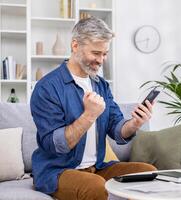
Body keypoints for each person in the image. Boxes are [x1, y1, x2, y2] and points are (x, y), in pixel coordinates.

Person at [30, 17, 157, 200]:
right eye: (96, 53)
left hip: (98, 168)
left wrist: (135, 123)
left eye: (104, 54)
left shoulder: (101, 85)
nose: (101, 60)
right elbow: (55, 145)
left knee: (148, 173)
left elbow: (116, 127)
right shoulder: (47, 88)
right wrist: (88, 115)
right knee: (95, 186)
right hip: (58, 171)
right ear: (75, 46)